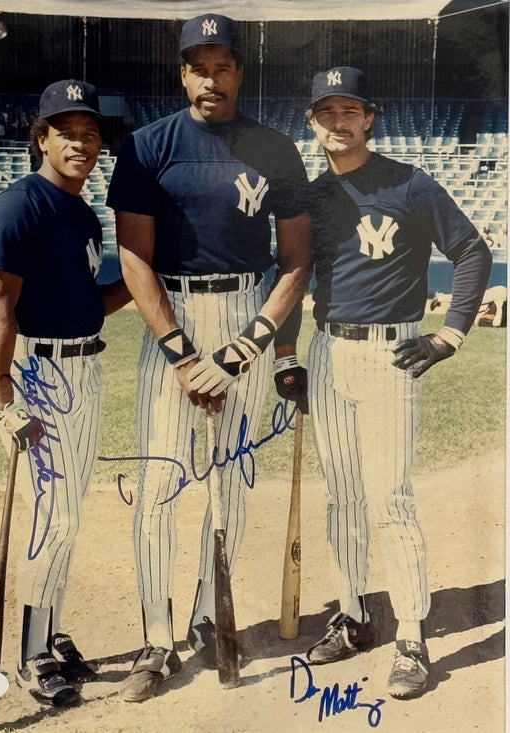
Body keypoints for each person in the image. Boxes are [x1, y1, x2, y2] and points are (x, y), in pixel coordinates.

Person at [106, 13, 312, 702]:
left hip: (244, 317)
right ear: (182, 73)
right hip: (172, 314)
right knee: (160, 485)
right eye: (199, 66)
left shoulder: (275, 148)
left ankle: (203, 619)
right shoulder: (147, 146)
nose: (211, 78)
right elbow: (134, 256)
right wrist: (181, 351)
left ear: (240, 74)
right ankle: (156, 640)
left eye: (223, 66)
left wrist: (242, 348)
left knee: (233, 482)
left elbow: (296, 261)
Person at [291, 66, 491, 699]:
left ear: (370, 118)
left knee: (390, 498)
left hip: (390, 356)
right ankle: (353, 616)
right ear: (312, 123)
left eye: (351, 110)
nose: (339, 122)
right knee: (342, 500)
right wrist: (285, 359)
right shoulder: (314, 196)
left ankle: (411, 635)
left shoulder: (409, 183)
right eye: (328, 112)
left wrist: (450, 333)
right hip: (327, 353)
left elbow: (472, 251)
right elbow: (293, 278)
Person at [0, 79, 131, 707]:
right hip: (39, 373)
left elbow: (89, 305)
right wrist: (2, 400)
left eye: (90, 132)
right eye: (65, 130)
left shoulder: (81, 211)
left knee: (68, 514)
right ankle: (30, 654)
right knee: (54, 515)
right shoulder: (21, 205)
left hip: (82, 370)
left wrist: (152, 278)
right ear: (40, 138)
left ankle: (49, 630)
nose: (80, 141)